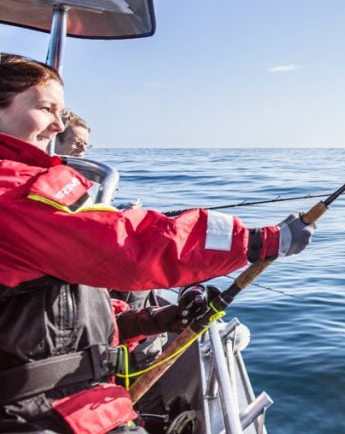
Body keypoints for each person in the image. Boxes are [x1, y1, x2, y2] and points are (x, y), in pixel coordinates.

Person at [0, 53, 315, 434]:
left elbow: (46, 320)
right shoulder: (13, 192)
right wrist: (259, 240)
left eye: (60, 112)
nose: (55, 124)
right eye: (45, 108)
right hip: (45, 416)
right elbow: (128, 248)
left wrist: (158, 319)